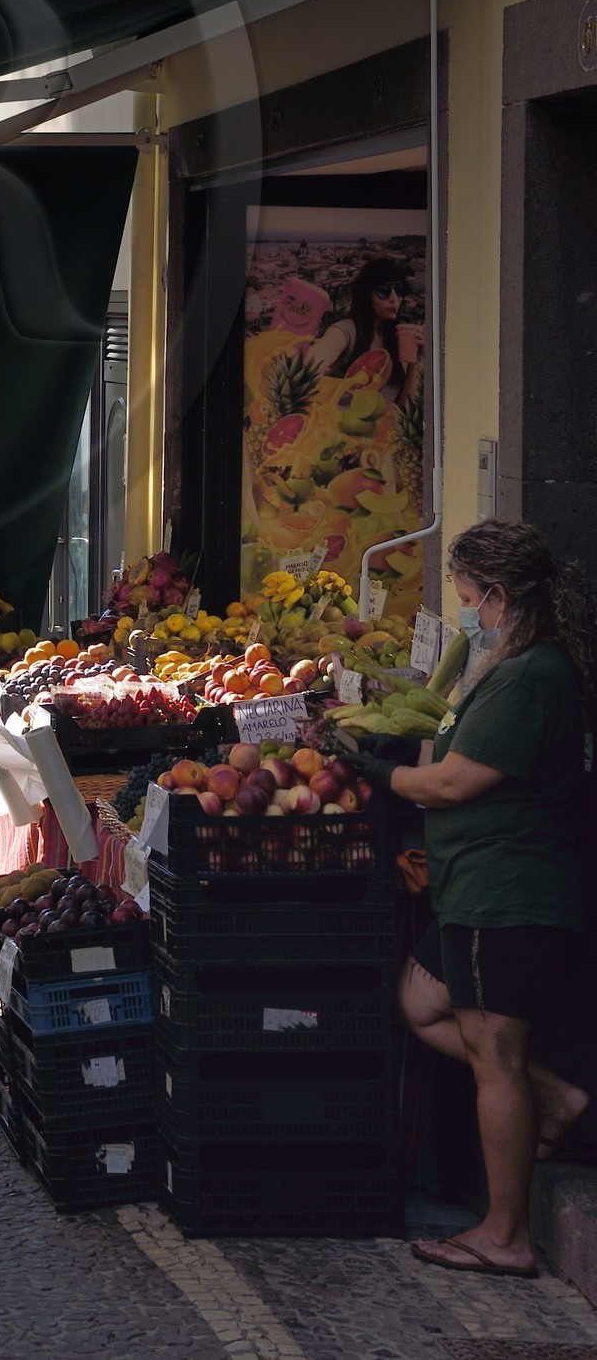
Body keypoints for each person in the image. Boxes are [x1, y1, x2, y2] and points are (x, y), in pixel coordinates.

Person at [372, 519, 597, 1279]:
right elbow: (449, 751)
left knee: (496, 1056)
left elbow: (453, 782)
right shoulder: (509, 666)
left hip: (505, 891)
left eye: (468, 597)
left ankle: (506, 1234)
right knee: (421, 1001)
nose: (465, 611)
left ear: (498, 596)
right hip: (475, 887)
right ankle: (557, 1102)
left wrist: (383, 775)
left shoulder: (532, 677)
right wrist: (405, 744)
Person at [308, 257, 424, 406]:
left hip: (385, 421)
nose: (394, 299)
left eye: (400, 289)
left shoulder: (397, 339)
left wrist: (415, 360)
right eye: (384, 290)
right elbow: (311, 363)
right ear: (366, 294)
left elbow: (405, 407)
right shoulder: (347, 331)